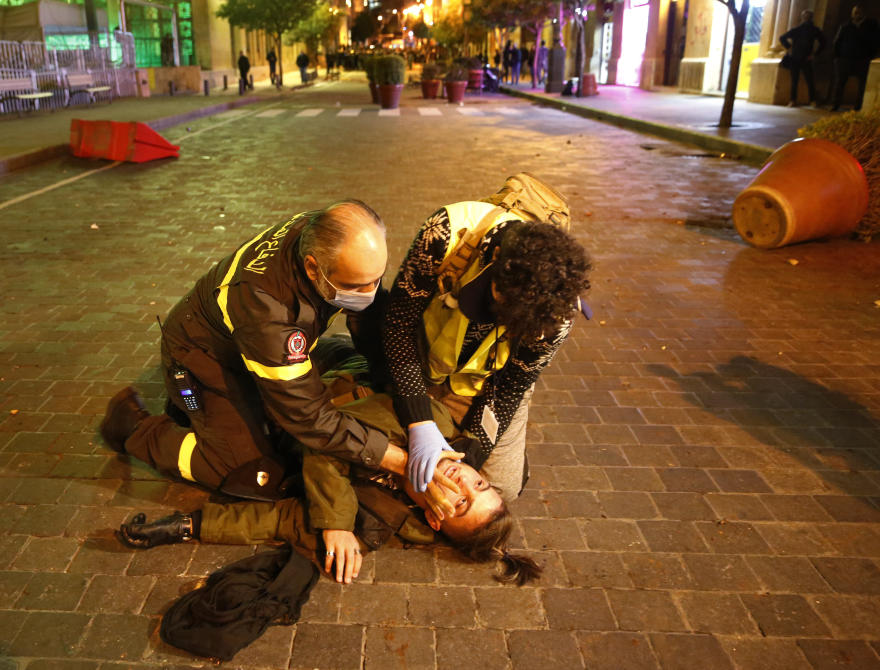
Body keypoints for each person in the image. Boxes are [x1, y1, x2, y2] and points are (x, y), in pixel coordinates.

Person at [116, 376, 541, 587]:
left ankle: (130, 427)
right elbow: (330, 435)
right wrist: (338, 515)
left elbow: (280, 520)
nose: (461, 482)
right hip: (324, 377)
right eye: (478, 485)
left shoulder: (376, 521)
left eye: (461, 503)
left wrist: (188, 526)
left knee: (231, 471)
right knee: (212, 392)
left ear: (433, 519)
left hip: (285, 427)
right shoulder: (435, 424)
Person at [99, 201, 395, 500]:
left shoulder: (331, 233)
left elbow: (368, 313)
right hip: (205, 356)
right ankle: (137, 429)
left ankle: (224, 413)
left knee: (348, 360)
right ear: (312, 267)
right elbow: (308, 417)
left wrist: (390, 378)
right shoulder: (266, 306)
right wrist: (399, 460)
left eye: (376, 279)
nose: (369, 292)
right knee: (251, 473)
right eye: (357, 286)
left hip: (260, 346)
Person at [382, 176, 591, 503]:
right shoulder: (446, 232)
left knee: (501, 491)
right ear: (492, 259)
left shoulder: (556, 315)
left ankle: (499, 452)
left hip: (486, 381)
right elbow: (397, 325)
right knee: (392, 460)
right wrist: (418, 419)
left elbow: (509, 387)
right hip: (422, 358)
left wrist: (470, 454)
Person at [831, 5, 880, 111]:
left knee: (862, 84)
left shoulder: (871, 25)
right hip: (845, 59)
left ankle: (858, 106)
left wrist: (871, 55)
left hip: (863, 59)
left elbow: (876, 41)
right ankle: (835, 104)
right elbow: (837, 41)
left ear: (863, 13)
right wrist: (837, 57)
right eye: (854, 12)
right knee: (840, 83)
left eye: (858, 12)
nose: (856, 14)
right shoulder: (845, 26)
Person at [779, 9, 825, 107]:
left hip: (802, 58)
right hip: (799, 58)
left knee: (807, 80)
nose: (806, 18)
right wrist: (789, 48)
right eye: (805, 16)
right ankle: (796, 100)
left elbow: (823, 42)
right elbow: (782, 38)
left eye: (807, 17)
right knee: (800, 80)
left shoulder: (804, 29)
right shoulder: (810, 29)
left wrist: (815, 54)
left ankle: (802, 100)